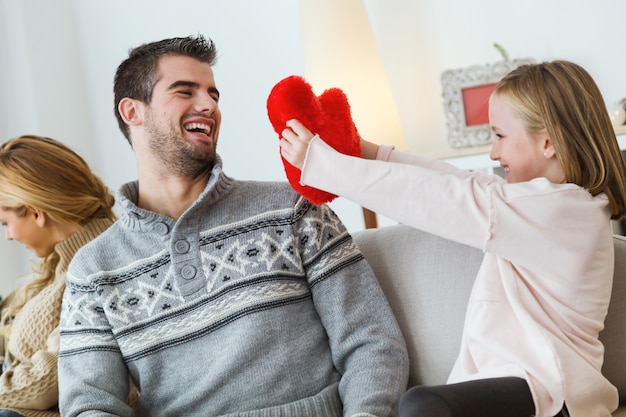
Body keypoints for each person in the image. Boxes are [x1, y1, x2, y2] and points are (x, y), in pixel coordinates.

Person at [57, 35, 408, 417]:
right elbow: (89, 404)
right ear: (132, 112)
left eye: (213, 94)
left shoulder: (293, 210)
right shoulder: (93, 270)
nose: (208, 105)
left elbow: (372, 342)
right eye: (184, 91)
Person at [279, 60, 626, 417]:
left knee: (423, 404)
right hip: (526, 386)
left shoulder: (558, 214)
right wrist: (363, 151)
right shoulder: (540, 205)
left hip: (555, 394)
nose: (493, 152)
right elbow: (456, 182)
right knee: (424, 403)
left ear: (548, 142)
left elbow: (439, 198)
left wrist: (325, 166)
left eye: (500, 136)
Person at [0, 135, 116, 417]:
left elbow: (48, 381)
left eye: (6, 223)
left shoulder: (95, 269)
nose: (9, 235)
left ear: (36, 212)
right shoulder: (59, 266)